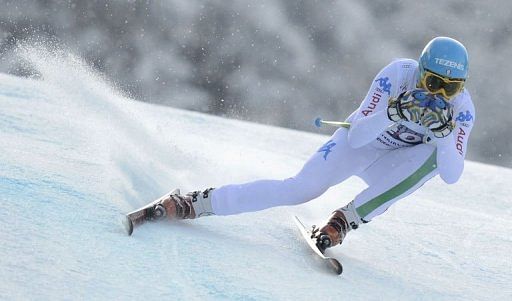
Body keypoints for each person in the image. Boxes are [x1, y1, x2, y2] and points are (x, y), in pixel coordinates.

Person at [152, 36, 475, 252]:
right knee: (299, 189)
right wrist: (394, 112)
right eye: (433, 82)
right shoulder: (397, 74)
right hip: (361, 145)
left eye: (451, 87)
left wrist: (447, 136)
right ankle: (196, 202)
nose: (438, 94)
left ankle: (344, 220)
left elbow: (451, 175)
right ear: (419, 73)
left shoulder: (462, 109)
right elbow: (359, 134)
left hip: (393, 167)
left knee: (435, 158)